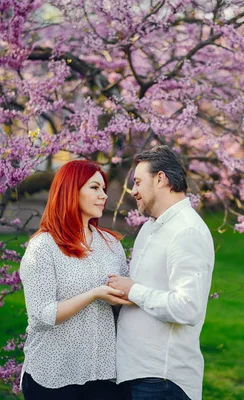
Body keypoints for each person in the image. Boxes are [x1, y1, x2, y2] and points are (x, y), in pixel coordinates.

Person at [107, 145, 215, 400]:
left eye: (138, 182)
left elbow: (187, 307)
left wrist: (133, 290)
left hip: (163, 380)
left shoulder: (187, 231)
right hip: (136, 373)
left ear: (160, 179)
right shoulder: (150, 228)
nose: (132, 191)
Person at [19, 160, 131, 400]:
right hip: (53, 374)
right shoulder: (44, 247)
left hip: (103, 374)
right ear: (71, 190)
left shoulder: (111, 245)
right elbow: (43, 315)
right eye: (94, 188)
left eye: (103, 189)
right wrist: (94, 294)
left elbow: (121, 302)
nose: (103, 196)